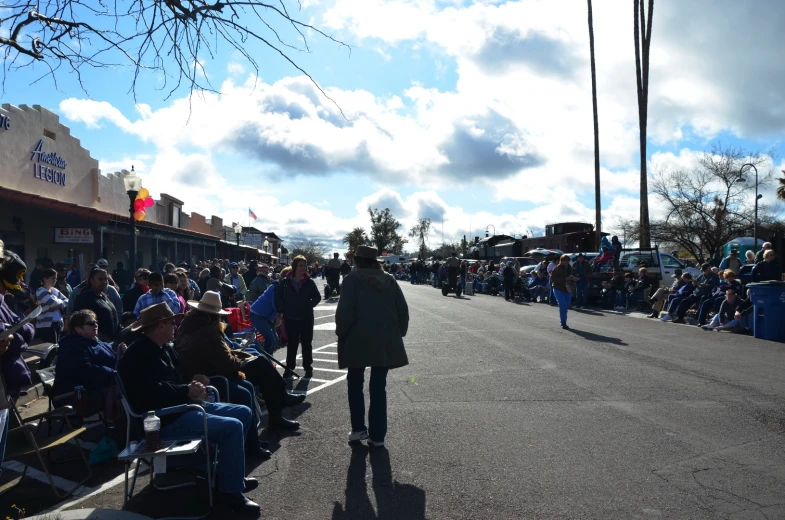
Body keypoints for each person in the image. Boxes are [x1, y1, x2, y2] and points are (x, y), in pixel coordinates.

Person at [118, 303, 261, 514]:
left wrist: (195, 385)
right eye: (171, 323)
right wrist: (187, 390)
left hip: (180, 408)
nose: (175, 326)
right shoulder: (137, 356)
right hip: (161, 421)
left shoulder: (163, 348)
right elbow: (149, 395)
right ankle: (230, 493)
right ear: (159, 327)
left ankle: (226, 476)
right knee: (232, 427)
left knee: (243, 411)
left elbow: (177, 380)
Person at [176, 291, 302, 434]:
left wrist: (241, 357)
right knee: (261, 366)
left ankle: (277, 411)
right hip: (211, 376)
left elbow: (217, 355)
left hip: (204, 370)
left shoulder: (189, 325)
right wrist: (241, 360)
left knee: (260, 364)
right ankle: (278, 409)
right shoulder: (207, 331)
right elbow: (226, 363)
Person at [336, 245, 409, 448]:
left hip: (357, 337)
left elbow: (345, 312)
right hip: (385, 338)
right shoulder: (390, 280)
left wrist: (341, 332)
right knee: (378, 387)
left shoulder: (352, 280)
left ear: (357, 261)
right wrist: (398, 333)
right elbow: (402, 310)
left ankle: (358, 428)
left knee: (355, 382)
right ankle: (378, 436)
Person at [52, 309, 125, 410]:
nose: (95, 325)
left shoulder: (93, 340)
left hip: (99, 387)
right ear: (78, 329)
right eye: (91, 323)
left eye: (96, 322)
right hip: (79, 396)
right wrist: (115, 373)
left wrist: (120, 354)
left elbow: (109, 358)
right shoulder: (73, 347)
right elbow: (87, 371)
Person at [275, 255, 321, 378]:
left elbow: (317, 297)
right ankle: (289, 368)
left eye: (305, 265)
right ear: (294, 267)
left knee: (307, 343)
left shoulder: (309, 282)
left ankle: (308, 367)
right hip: (290, 318)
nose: (303, 268)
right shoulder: (285, 282)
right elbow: (278, 297)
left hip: (306, 318)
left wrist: (308, 305)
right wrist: (283, 308)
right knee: (292, 344)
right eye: (300, 265)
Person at [0, 246, 34, 398]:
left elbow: (28, 329)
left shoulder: (2, 302)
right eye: (17, 276)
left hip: (6, 385)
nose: (20, 282)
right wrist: (14, 334)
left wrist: (13, 334)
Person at [249, 267, 290, 355]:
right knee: (270, 339)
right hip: (257, 314)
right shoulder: (277, 287)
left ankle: (267, 358)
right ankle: (264, 359)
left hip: (266, 316)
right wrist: (281, 313)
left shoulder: (284, 287)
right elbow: (276, 304)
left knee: (275, 339)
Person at [74, 268, 120, 342]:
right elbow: (82, 323)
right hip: (95, 343)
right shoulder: (85, 298)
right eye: (100, 279)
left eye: (106, 279)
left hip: (111, 343)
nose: (104, 282)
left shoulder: (105, 297)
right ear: (91, 280)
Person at [35, 268, 68, 344]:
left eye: (55, 278)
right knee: (51, 349)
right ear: (45, 279)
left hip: (59, 323)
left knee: (58, 347)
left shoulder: (54, 290)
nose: (55, 280)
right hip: (47, 326)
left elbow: (67, 300)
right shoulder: (40, 291)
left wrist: (59, 304)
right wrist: (60, 303)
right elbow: (53, 303)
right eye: (52, 278)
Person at [550, 255, 576, 329]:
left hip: (568, 289)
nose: (566, 262)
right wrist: (565, 279)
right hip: (558, 288)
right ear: (561, 261)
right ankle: (563, 322)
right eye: (564, 260)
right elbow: (554, 280)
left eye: (567, 260)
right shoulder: (557, 268)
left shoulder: (571, 268)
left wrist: (573, 278)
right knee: (562, 304)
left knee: (566, 306)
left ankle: (564, 320)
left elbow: (575, 275)